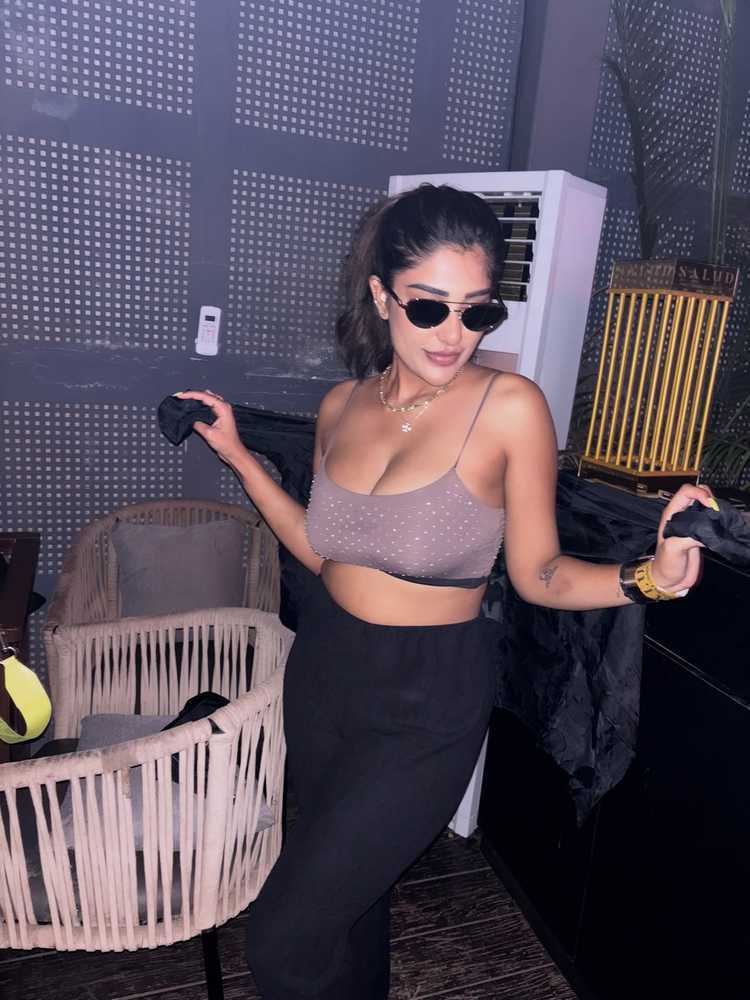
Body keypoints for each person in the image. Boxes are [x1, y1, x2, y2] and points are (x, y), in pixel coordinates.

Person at [175, 184, 712, 999]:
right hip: (324, 676)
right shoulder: (340, 406)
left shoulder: (509, 409)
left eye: (476, 312)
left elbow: (539, 573)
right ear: (381, 295)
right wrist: (241, 457)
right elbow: (322, 552)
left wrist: (651, 579)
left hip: (428, 699)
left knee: (286, 937)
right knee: (351, 910)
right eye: (429, 308)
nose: (454, 335)